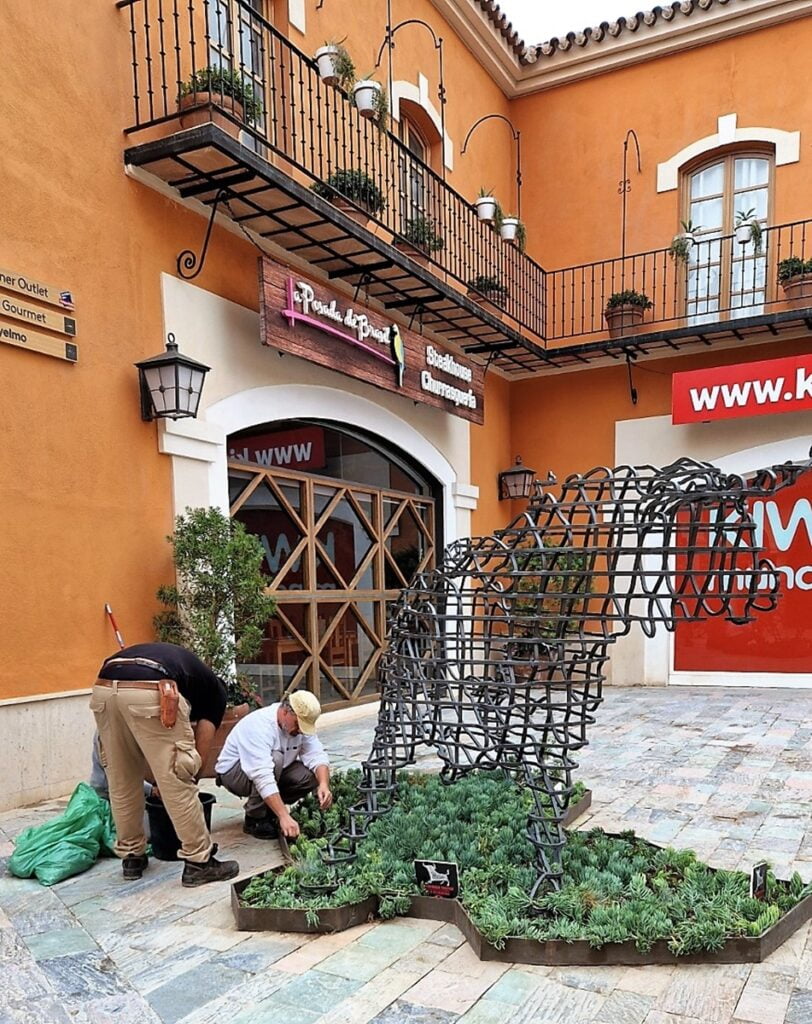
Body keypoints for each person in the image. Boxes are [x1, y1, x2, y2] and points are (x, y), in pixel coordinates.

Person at [90, 642, 240, 886]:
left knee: (122, 778)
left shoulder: (189, 670)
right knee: (178, 776)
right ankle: (199, 862)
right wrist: (191, 776)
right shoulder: (216, 694)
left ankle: (132, 856)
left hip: (105, 687)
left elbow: (147, 751)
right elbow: (201, 745)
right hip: (152, 688)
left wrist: (158, 779)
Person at [215, 691, 332, 840]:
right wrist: (284, 815)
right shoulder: (259, 725)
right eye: (298, 724)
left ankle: (270, 809)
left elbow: (316, 755)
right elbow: (261, 775)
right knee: (275, 759)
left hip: (274, 769)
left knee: (309, 775)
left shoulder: (299, 728)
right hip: (234, 774)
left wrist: (323, 784)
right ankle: (255, 818)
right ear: (285, 712)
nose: (301, 730)